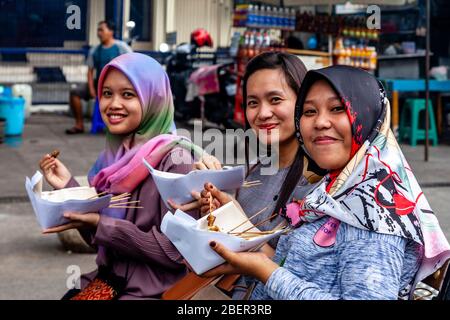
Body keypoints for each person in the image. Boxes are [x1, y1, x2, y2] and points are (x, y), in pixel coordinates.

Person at [201, 65, 450, 300]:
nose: (320, 122)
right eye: (310, 111)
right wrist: (233, 219)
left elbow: (278, 272)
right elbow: (295, 266)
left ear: (367, 115)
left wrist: (267, 272)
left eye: (337, 108)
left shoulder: (375, 211)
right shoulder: (337, 188)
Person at [39, 53, 200, 299]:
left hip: (154, 292)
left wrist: (101, 223)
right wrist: (69, 186)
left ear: (153, 99)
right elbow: (101, 241)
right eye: (106, 93)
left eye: (128, 94)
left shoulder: (176, 160)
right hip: (111, 280)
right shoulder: (114, 155)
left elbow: (176, 250)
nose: (113, 104)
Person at [169, 52, 323, 298]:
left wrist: (240, 225)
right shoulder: (253, 170)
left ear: (303, 102)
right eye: (253, 102)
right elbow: (226, 250)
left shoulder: (321, 184)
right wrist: (211, 211)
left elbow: (296, 278)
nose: (262, 113)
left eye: (275, 99)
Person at [66, 20, 132, 134]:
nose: (99, 33)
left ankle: (127, 127)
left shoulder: (121, 48)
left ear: (110, 32)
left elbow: (132, 65)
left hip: (120, 85)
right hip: (100, 84)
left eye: (101, 30)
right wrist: (92, 89)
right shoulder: (94, 50)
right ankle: (79, 125)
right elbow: (90, 72)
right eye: (98, 30)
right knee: (75, 92)